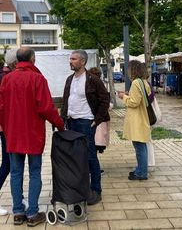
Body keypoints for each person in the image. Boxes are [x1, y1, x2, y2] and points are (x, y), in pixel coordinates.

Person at [0, 47, 64, 227]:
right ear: (33, 59)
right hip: (33, 133)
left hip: (13, 134)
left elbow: (1, 109)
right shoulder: (37, 79)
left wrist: (7, 129)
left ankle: (18, 211)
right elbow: (46, 108)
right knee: (35, 172)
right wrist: (60, 124)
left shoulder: (7, 80)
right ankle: (33, 212)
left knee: (15, 173)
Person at [61, 51, 110, 205]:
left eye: (73, 59)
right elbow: (66, 100)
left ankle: (96, 190)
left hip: (86, 123)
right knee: (76, 158)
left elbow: (105, 99)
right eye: (70, 59)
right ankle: (80, 188)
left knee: (90, 157)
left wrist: (97, 119)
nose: (70, 61)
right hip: (71, 122)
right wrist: (63, 119)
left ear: (82, 61)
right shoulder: (69, 79)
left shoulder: (92, 80)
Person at [0, 49, 25, 216]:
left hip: (6, 126)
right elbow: (5, 105)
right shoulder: (5, 78)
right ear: (16, 63)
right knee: (8, 164)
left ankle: (19, 197)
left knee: (14, 164)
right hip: (6, 127)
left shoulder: (4, 75)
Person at [117, 60, 151, 180]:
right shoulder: (144, 82)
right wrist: (129, 94)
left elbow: (134, 102)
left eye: (129, 69)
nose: (127, 71)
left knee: (139, 147)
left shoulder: (136, 82)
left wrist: (123, 97)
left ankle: (141, 173)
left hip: (137, 119)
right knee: (141, 146)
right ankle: (141, 169)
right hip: (142, 117)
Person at [89, 67, 111, 154]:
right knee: (98, 141)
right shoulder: (101, 85)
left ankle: (94, 165)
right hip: (102, 118)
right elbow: (106, 102)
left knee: (93, 142)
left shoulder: (89, 86)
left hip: (96, 118)